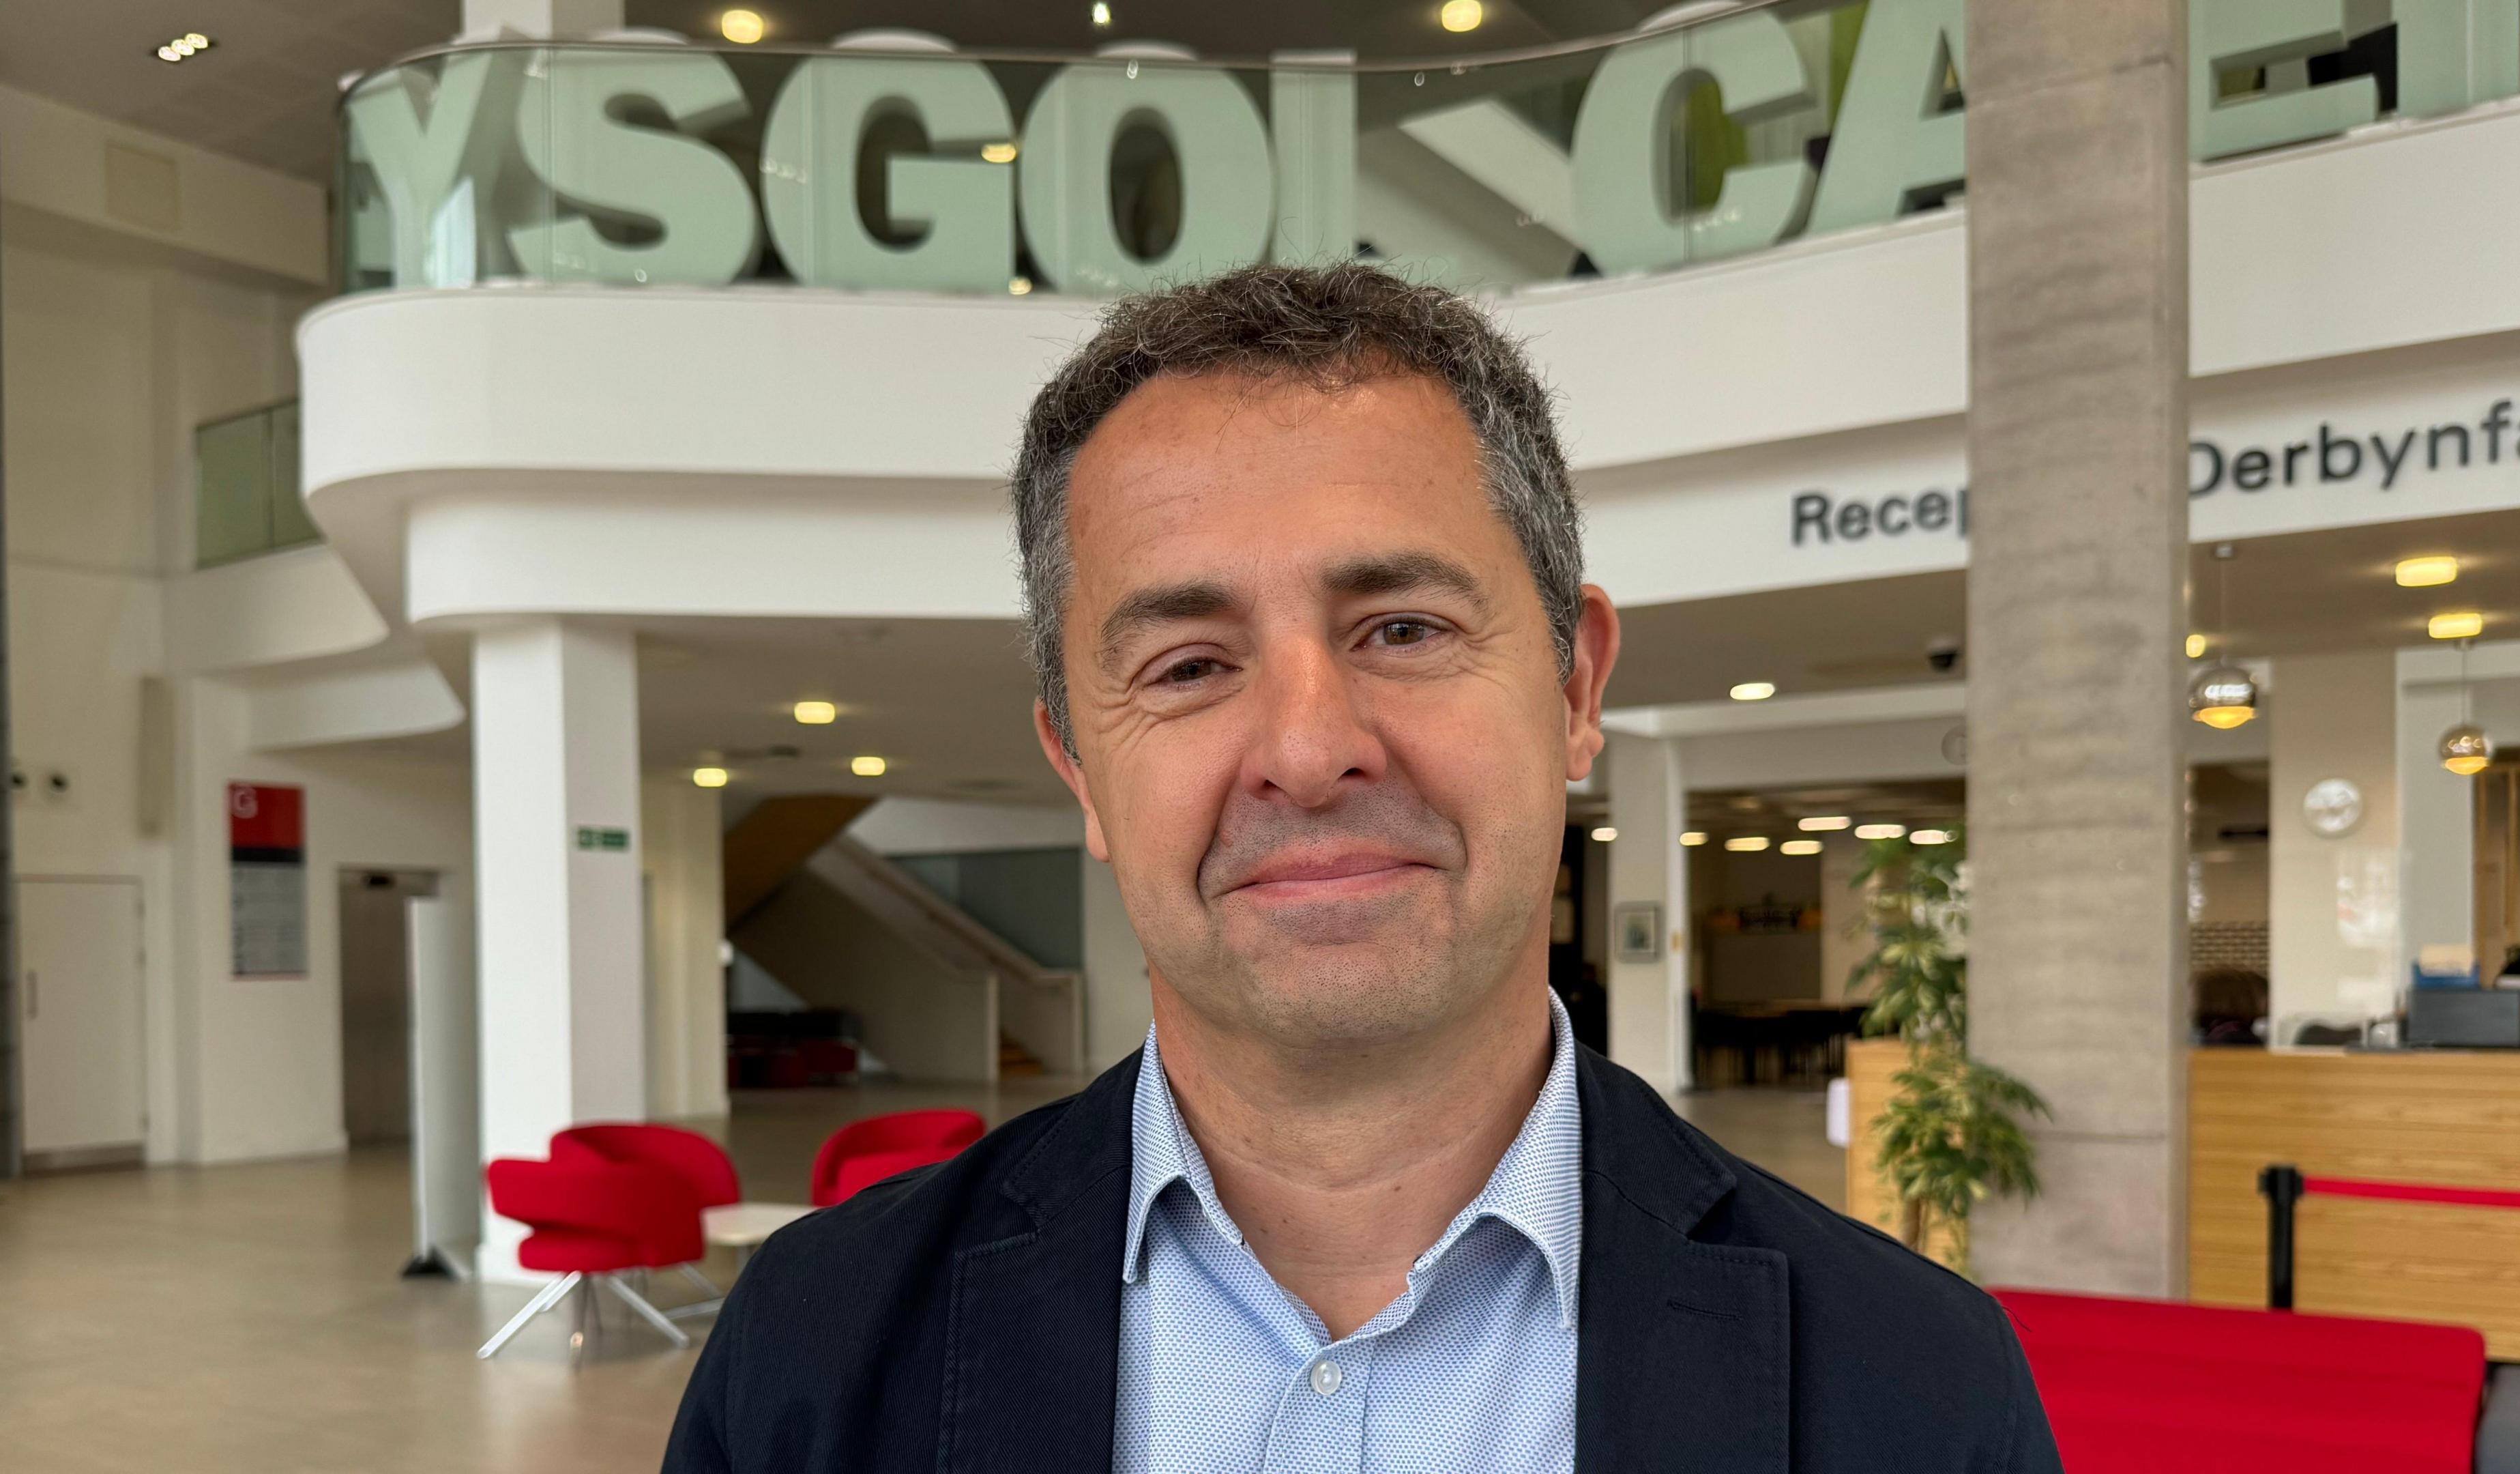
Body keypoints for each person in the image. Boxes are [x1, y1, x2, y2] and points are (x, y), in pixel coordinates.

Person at [662, 264, 2060, 1473]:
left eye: (1401, 629)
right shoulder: (811, 1350)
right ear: (1081, 767)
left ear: (1575, 687)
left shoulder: (1917, 1386)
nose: (1310, 748)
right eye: (1191, 665)